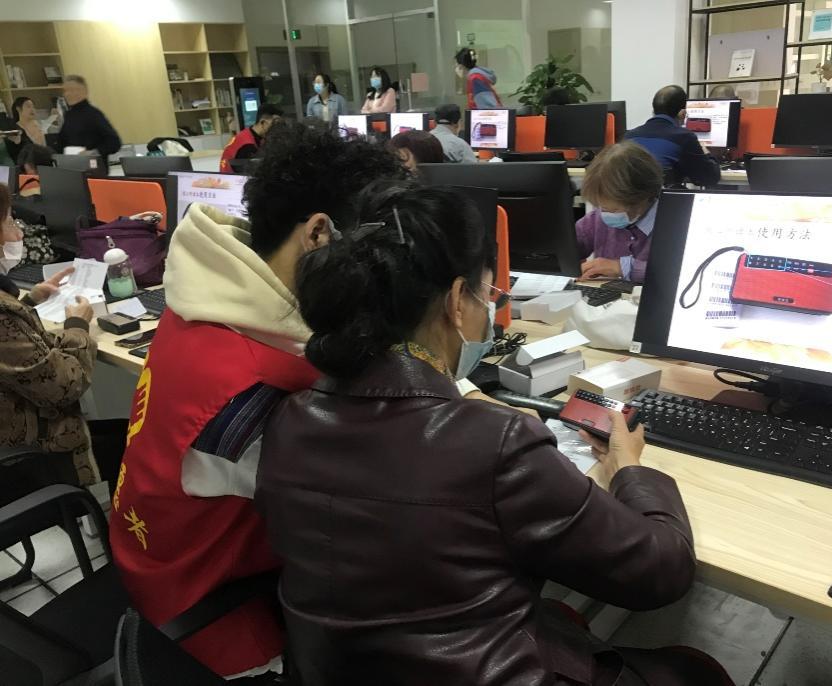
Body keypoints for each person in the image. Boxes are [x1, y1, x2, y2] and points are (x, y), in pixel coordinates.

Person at [256, 183, 733, 686]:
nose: (489, 311)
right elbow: (660, 572)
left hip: (332, 672)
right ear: (456, 300)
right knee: (691, 672)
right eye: (488, 295)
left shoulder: (291, 418)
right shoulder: (494, 443)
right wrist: (630, 469)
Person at [108, 122, 408, 680]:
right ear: (318, 233)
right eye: (372, 247)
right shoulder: (253, 390)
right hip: (211, 617)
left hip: (149, 552)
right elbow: (372, 504)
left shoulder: (206, 296)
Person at [0, 182, 102, 502]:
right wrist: (77, 326)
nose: (18, 233)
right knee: (143, 440)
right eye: (9, 221)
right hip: (33, 457)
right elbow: (65, 385)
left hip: (15, 436)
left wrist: (29, 301)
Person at [576, 141, 664, 282]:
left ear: (643, 197)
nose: (607, 214)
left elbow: (677, 272)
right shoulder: (597, 218)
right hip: (607, 295)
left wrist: (622, 267)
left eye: (615, 210)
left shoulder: (673, 225)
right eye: (603, 208)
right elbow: (570, 245)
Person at [625, 85, 720, 187]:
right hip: (665, 196)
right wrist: (705, 151)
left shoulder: (629, 136)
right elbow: (709, 178)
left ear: (653, 111)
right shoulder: (685, 137)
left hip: (633, 196)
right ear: (682, 114)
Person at [58, 75, 122, 159]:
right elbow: (62, 143)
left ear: (84, 92)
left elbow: (114, 142)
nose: (67, 94)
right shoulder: (69, 115)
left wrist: (94, 152)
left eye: (72, 90)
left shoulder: (93, 114)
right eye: (65, 91)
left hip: (93, 164)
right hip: (73, 164)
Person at [219, 104, 283, 174]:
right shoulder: (247, 146)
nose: (277, 128)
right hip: (232, 179)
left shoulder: (249, 133)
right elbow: (254, 174)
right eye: (274, 124)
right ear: (263, 122)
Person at [5, 97, 47, 162]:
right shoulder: (15, 129)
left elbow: (45, 147)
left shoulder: (38, 124)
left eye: (33, 107)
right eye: (28, 106)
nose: (32, 109)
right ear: (18, 109)